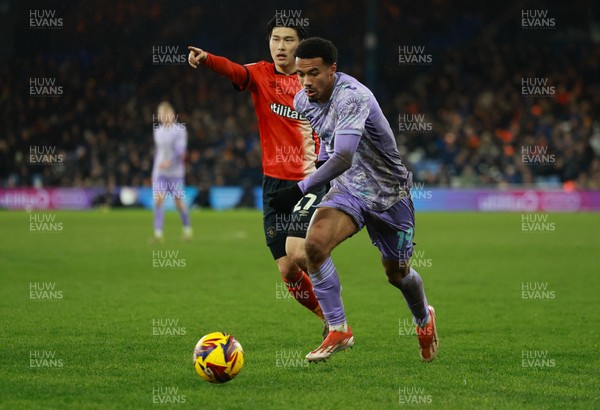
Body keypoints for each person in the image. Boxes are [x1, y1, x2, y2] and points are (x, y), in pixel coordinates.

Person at [269, 37, 438, 362]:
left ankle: (424, 319)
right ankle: (338, 328)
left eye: (314, 73)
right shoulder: (303, 101)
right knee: (314, 246)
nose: (306, 82)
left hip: (390, 195)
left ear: (333, 70)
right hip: (349, 191)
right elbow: (328, 145)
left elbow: (344, 155)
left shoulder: (353, 97)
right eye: (301, 74)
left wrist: (300, 189)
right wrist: (319, 176)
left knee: (397, 274)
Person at [187, 17, 328, 335]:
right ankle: (327, 316)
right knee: (287, 270)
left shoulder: (313, 81)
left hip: (307, 179)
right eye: (276, 39)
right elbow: (235, 71)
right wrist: (207, 59)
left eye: (289, 40)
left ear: (301, 46)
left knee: (299, 252)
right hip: (273, 182)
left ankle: (337, 312)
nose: (281, 46)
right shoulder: (261, 74)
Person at [152, 101, 192, 242]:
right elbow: (159, 152)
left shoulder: (180, 131)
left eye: (166, 113)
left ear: (172, 114)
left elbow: (180, 151)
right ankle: (158, 234)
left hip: (175, 173)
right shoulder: (157, 131)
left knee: (178, 203)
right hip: (161, 173)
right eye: (161, 114)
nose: (163, 116)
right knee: (158, 201)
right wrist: (155, 169)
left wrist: (170, 161)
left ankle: (187, 230)